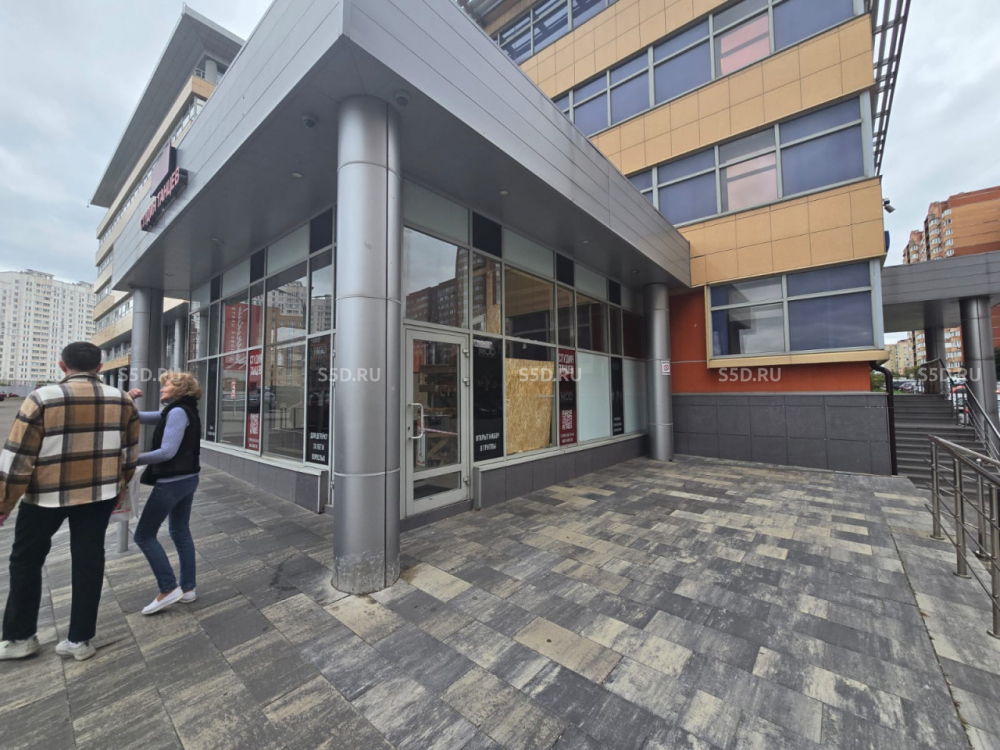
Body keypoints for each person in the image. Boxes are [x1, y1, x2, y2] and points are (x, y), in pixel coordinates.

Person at [0, 342, 139, 661]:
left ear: (62, 365)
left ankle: (21, 637)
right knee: (89, 561)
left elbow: (18, 457)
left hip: (45, 496)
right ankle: (80, 640)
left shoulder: (42, 398)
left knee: (25, 561)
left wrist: (4, 502)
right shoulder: (122, 400)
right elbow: (129, 455)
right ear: (99, 367)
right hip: (99, 494)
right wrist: (120, 487)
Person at [128, 371, 202, 615]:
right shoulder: (181, 410)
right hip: (188, 479)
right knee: (180, 531)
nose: (161, 389)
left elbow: (167, 452)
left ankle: (168, 588)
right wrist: (126, 402)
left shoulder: (178, 412)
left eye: (166, 384)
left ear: (179, 389)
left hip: (172, 483)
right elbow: (140, 417)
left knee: (143, 536)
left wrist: (130, 459)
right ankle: (188, 588)